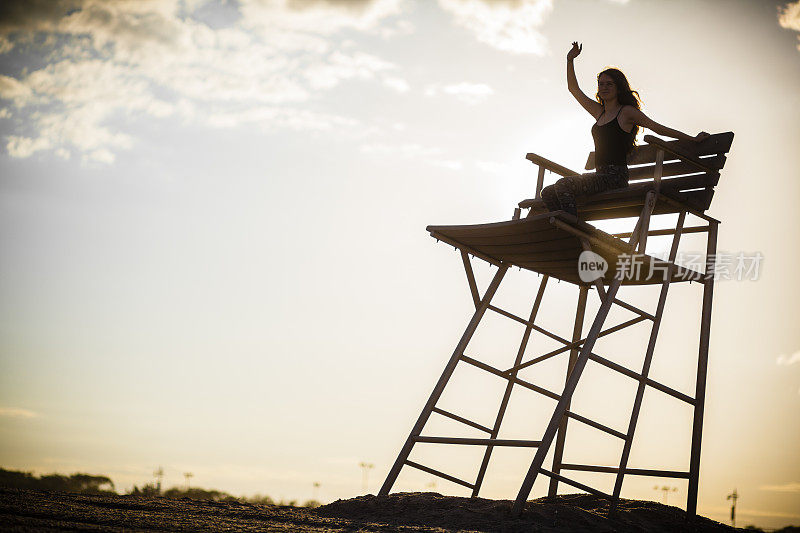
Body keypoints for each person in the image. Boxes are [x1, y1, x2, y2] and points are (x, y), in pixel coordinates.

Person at [540, 42, 710, 217]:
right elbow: (573, 89)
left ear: (618, 87)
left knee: (562, 185)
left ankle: (571, 226)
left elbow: (657, 128)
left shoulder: (626, 113)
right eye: (601, 84)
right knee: (547, 192)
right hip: (599, 176)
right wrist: (570, 60)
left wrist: (692, 139)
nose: (604, 87)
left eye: (609, 84)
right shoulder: (599, 112)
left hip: (615, 177)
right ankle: (564, 227)